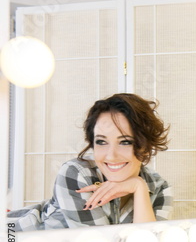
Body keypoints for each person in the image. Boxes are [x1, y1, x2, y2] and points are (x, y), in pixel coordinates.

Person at [8, 93, 173, 230]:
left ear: (145, 145)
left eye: (125, 142)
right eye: (101, 142)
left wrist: (138, 187)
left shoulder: (159, 188)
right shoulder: (77, 174)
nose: (111, 156)